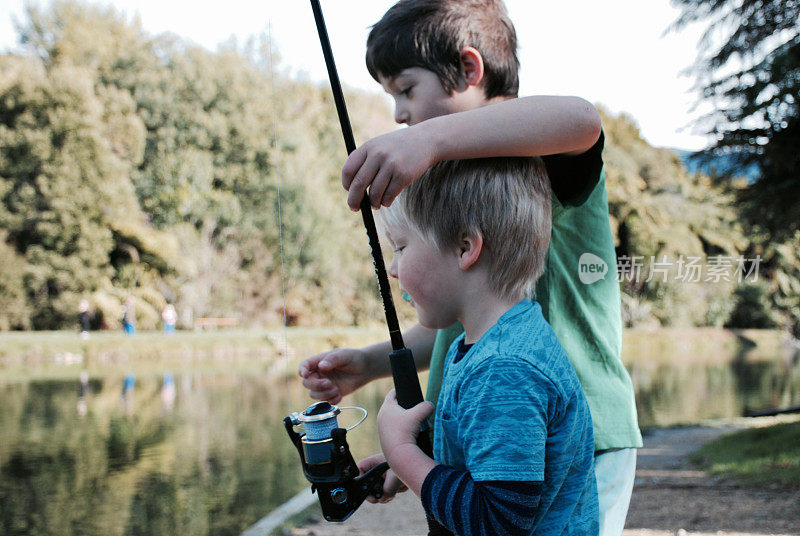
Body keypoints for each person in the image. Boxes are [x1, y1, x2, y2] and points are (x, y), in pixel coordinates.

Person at [299, 1, 642, 534]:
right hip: (491, 434)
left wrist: (428, 140)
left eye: (407, 90)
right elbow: (455, 327)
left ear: (469, 69)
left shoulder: (534, 156)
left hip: (578, 435)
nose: (398, 114)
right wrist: (370, 365)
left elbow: (581, 119)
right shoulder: (455, 190)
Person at [364, 156, 597, 534]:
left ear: (465, 248)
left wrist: (403, 454)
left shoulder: (504, 368)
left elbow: (496, 519)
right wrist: (409, 467)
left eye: (401, 247)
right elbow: (484, 470)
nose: (392, 268)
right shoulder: (493, 343)